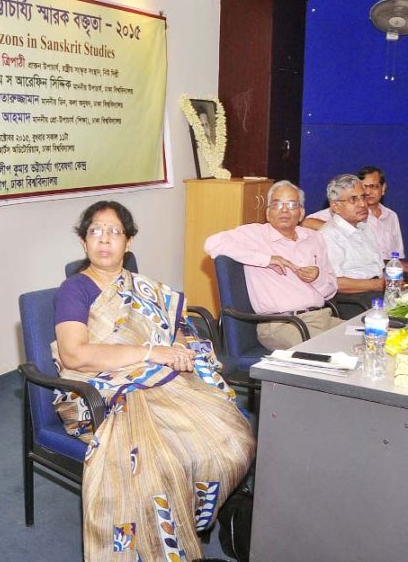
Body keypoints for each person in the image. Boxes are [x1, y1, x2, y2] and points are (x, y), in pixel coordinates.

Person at [52, 201, 255, 561]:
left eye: (114, 231)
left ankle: (203, 518)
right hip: (105, 390)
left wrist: (176, 349)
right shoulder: (76, 290)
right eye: (95, 231)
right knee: (160, 460)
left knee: (233, 438)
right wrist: (151, 352)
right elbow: (74, 355)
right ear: (83, 241)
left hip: (160, 379)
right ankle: (159, 549)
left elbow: (173, 333)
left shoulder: (142, 288)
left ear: (128, 242)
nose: (104, 239)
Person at [203, 180, 340, 350]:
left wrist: (317, 278)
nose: (284, 210)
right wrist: (267, 259)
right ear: (268, 213)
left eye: (291, 204)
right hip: (281, 324)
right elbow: (212, 243)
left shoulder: (314, 238)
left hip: (321, 318)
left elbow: (331, 290)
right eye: (277, 204)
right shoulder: (255, 234)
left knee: (364, 340)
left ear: (301, 212)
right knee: (323, 351)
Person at [317, 174, 384, 318]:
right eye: (353, 199)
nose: (362, 204)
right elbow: (336, 283)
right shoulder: (329, 235)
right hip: (354, 303)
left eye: (363, 197)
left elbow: (378, 269)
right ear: (335, 206)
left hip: (378, 295)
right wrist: (378, 285)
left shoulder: (366, 229)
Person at [302, 165, 404, 260]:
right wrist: (344, 229)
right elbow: (305, 222)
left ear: (383, 188)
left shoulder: (391, 216)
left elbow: (398, 254)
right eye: (365, 187)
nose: (368, 192)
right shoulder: (350, 211)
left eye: (373, 186)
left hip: (387, 270)